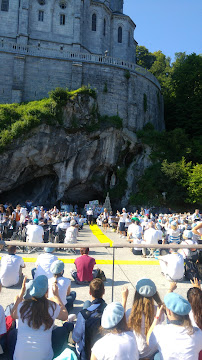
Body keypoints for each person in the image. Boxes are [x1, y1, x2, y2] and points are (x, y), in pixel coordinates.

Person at [9, 275, 73, 360]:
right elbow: (65, 316)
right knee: (61, 331)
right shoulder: (52, 306)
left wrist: (21, 294)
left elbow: (13, 314)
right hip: (45, 357)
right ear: (47, 291)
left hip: (19, 357)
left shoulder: (22, 306)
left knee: (13, 333)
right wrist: (57, 296)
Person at [147, 292, 202, 360]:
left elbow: (148, 341)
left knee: (156, 355)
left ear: (169, 311)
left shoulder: (160, 331)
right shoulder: (198, 333)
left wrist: (157, 317)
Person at [122, 278, 163, 359]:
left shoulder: (130, 313)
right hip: (152, 352)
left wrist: (124, 299)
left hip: (136, 352)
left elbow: (121, 322)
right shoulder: (158, 311)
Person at [72, 278, 107, 360]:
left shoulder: (83, 315)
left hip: (86, 354)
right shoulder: (109, 312)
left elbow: (75, 338)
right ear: (104, 292)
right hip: (104, 353)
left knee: (87, 304)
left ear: (89, 292)